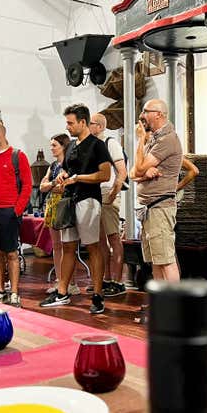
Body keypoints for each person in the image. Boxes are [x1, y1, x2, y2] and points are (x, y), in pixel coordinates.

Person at [39, 104, 111, 314]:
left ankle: (98, 295)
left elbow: (105, 175)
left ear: (83, 122)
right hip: (69, 200)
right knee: (67, 247)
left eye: (70, 123)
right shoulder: (70, 146)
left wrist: (78, 178)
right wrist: (63, 175)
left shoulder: (98, 145)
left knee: (93, 247)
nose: (67, 127)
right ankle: (62, 292)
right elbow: (67, 170)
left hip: (89, 200)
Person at [0, 122, 32, 307]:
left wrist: (16, 210)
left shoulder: (18, 156)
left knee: (11, 254)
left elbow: (27, 186)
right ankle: (0, 291)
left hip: (8, 211)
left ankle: (15, 293)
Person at [131, 99, 183, 284]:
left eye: (146, 111)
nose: (142, 115)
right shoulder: (154, 139)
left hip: (160, 207)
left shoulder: (167, 139)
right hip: (149, 209)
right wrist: (144, 173)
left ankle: (174, 301)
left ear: (159, 114)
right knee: (156, 261)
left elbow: (138, 169)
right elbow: (132, 173)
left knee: (166, 260)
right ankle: (161, 300)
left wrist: (140, 139)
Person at [88, 113, 128, 297]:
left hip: (107, 192)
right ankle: (105, 278)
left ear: (101, 126)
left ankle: (118, 281)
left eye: (91, 123)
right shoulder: (91, 145)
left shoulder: (110, 143)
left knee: (113, 237)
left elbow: (122, 171)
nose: (88, 126)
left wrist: (113, 193)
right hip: (94, 194)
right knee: (99, 239)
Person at [39, 133, 81, 295]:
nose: (51, 148)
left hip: (65, 204)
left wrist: (52, 185)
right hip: (53, 205)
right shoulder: (53, 166)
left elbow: (63, 188)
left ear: (64, 146)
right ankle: (59, 279)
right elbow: (43, 186)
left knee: (68, 246)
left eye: (54, 145)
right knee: (56, 246)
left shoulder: (69, 164)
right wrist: (53, 183)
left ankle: (72, 282)